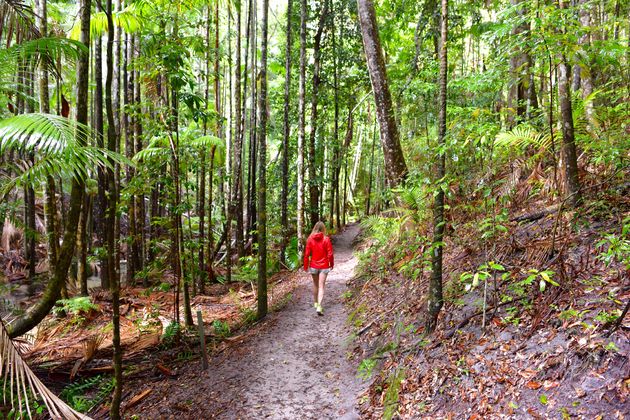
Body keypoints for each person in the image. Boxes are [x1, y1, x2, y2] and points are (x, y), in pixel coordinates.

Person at [303, 221, 334, 315]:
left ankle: (316, 303)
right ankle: (319, 306)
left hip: (313, 266)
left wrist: (305, 266)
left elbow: (306, 254)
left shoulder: (310, 239)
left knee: (315, 285)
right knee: (321, 286)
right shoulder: (326, 239)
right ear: (323, 228)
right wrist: (331, 264)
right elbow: (330, 254)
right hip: (324, 266)